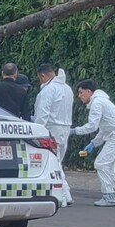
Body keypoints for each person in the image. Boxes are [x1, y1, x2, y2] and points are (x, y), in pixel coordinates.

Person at [69, 79, 115, 207]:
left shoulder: (97, 102)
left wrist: (74, 131)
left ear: (89, 91)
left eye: (81, 92)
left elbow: (92, 126)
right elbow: (104, 129)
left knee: (101, 164)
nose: (79, 96)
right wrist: (93, 144)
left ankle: (109, 196)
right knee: (107, 166)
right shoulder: (101, 101)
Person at [34, 63, 73, 206]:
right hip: (65, 128)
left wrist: (37, 131)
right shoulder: (67, 89)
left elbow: (42, 113)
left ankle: (62, 196)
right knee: (58, 160)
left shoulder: (48, 90)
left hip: (52, 129)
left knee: (54, 161)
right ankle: (66, 193)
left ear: (43, 76)